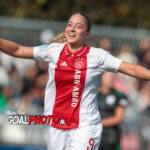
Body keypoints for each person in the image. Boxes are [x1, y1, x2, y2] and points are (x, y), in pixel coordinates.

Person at [0, 12, 150, 150]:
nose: (72, 29)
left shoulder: (98, 56)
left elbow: (131, 69)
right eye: (70, 25)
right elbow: (18, 50)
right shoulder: (54, 50)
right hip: (57, 125)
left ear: (87, 33)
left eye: (78, 26)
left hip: (85, 127)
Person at [97, 72, 128, 150]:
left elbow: (118, 118)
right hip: (95, 135)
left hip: (111, 137)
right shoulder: (94, 94)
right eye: (108, 76)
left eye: (113, 76)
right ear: (101, 77)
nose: (111, 79)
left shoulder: (119, 95)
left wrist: (97, 123)